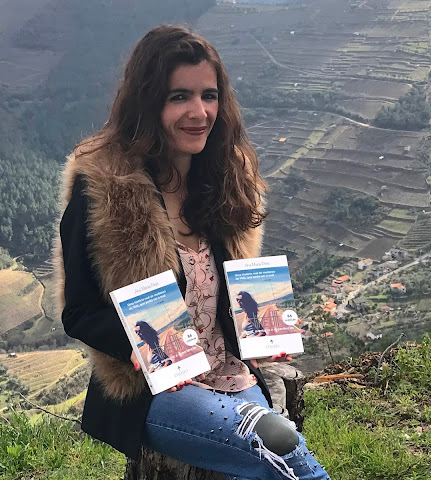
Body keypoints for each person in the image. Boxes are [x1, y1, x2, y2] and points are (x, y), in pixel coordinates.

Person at [56, 24, 330, 480]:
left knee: (273, 452)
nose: (199, 112)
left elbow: (231, 297)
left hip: (228, 371)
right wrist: (141, 347)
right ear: (148, 103)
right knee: (277, 446)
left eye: (209, 95)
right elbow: (79, 313)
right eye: (179, 97)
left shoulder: (225, 181)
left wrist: (266, 332)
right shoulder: (103, 192)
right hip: (153, 389)